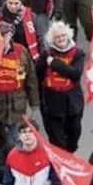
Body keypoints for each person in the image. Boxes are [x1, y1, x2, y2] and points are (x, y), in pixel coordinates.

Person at [0, 22, 41, 139]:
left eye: (4, 36)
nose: (1, 39)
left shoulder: (21, 52)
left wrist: (34, 103)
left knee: (15, 142)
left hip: (17, 107)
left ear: (10, 35)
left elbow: (31, 79)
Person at [36, 21, 87, 152]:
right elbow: (38, 76)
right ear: (52, 39)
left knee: (73, 136)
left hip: (73, 103)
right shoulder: (46, 54)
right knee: (57, 141)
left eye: (63, 36)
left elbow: (75, 73)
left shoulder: (78, 53)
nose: (61, 39)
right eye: (57, 37)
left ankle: (70, 155)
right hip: (52, 102)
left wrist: (55, 64)